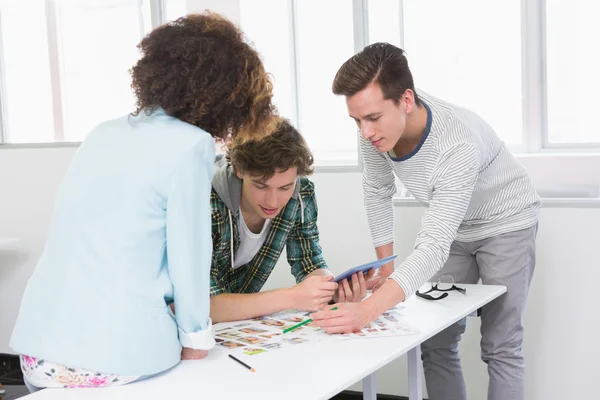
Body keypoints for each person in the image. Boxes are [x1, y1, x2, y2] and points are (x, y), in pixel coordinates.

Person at [10, 12, 276, 391]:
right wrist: (197, 338)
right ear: (225, 97)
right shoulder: (191, 145)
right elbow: (189, 253)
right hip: (112, 356)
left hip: (38, 353)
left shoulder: (101, 133)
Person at [311, 43, 540, 400]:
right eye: (356, 120)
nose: (365, 131)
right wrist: (385, 265)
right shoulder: (375, 137)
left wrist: (367, 311)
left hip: (506, 223)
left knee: (500, 344)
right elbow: (377, 190)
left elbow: (433, 246)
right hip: (455, 229)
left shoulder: (456, 143)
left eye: (371, 118)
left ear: (405, 100)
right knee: (434, 340)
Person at [208, 118, 366, 323]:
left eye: (285, 187)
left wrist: (331, 290)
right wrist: (292, 297)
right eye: (261, 186)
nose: (273, 201)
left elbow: (309, 262)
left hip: (231, 327)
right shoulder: (206, 201)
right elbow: (203, 305)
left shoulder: (301, 194)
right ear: (239, 170)